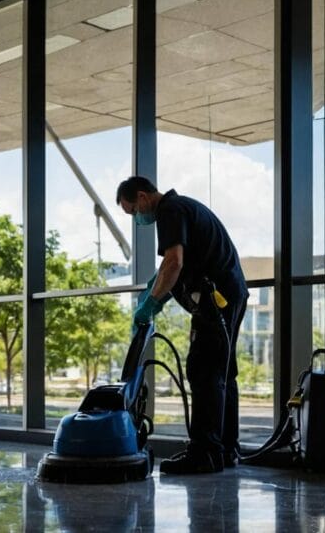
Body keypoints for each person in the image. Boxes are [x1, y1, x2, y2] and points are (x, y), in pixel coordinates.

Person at [116, 176, 248, 475]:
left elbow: (173, 262)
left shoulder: (170, 211)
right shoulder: (184, 207)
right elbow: (174, 266)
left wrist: (151, 304)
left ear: (142, 197)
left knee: (204, 371)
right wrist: (153, 291)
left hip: (216, 300)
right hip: (229, 294)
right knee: (223, 373)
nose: (137, 218)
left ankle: (205, 453)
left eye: (133, 211)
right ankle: (226, 450)